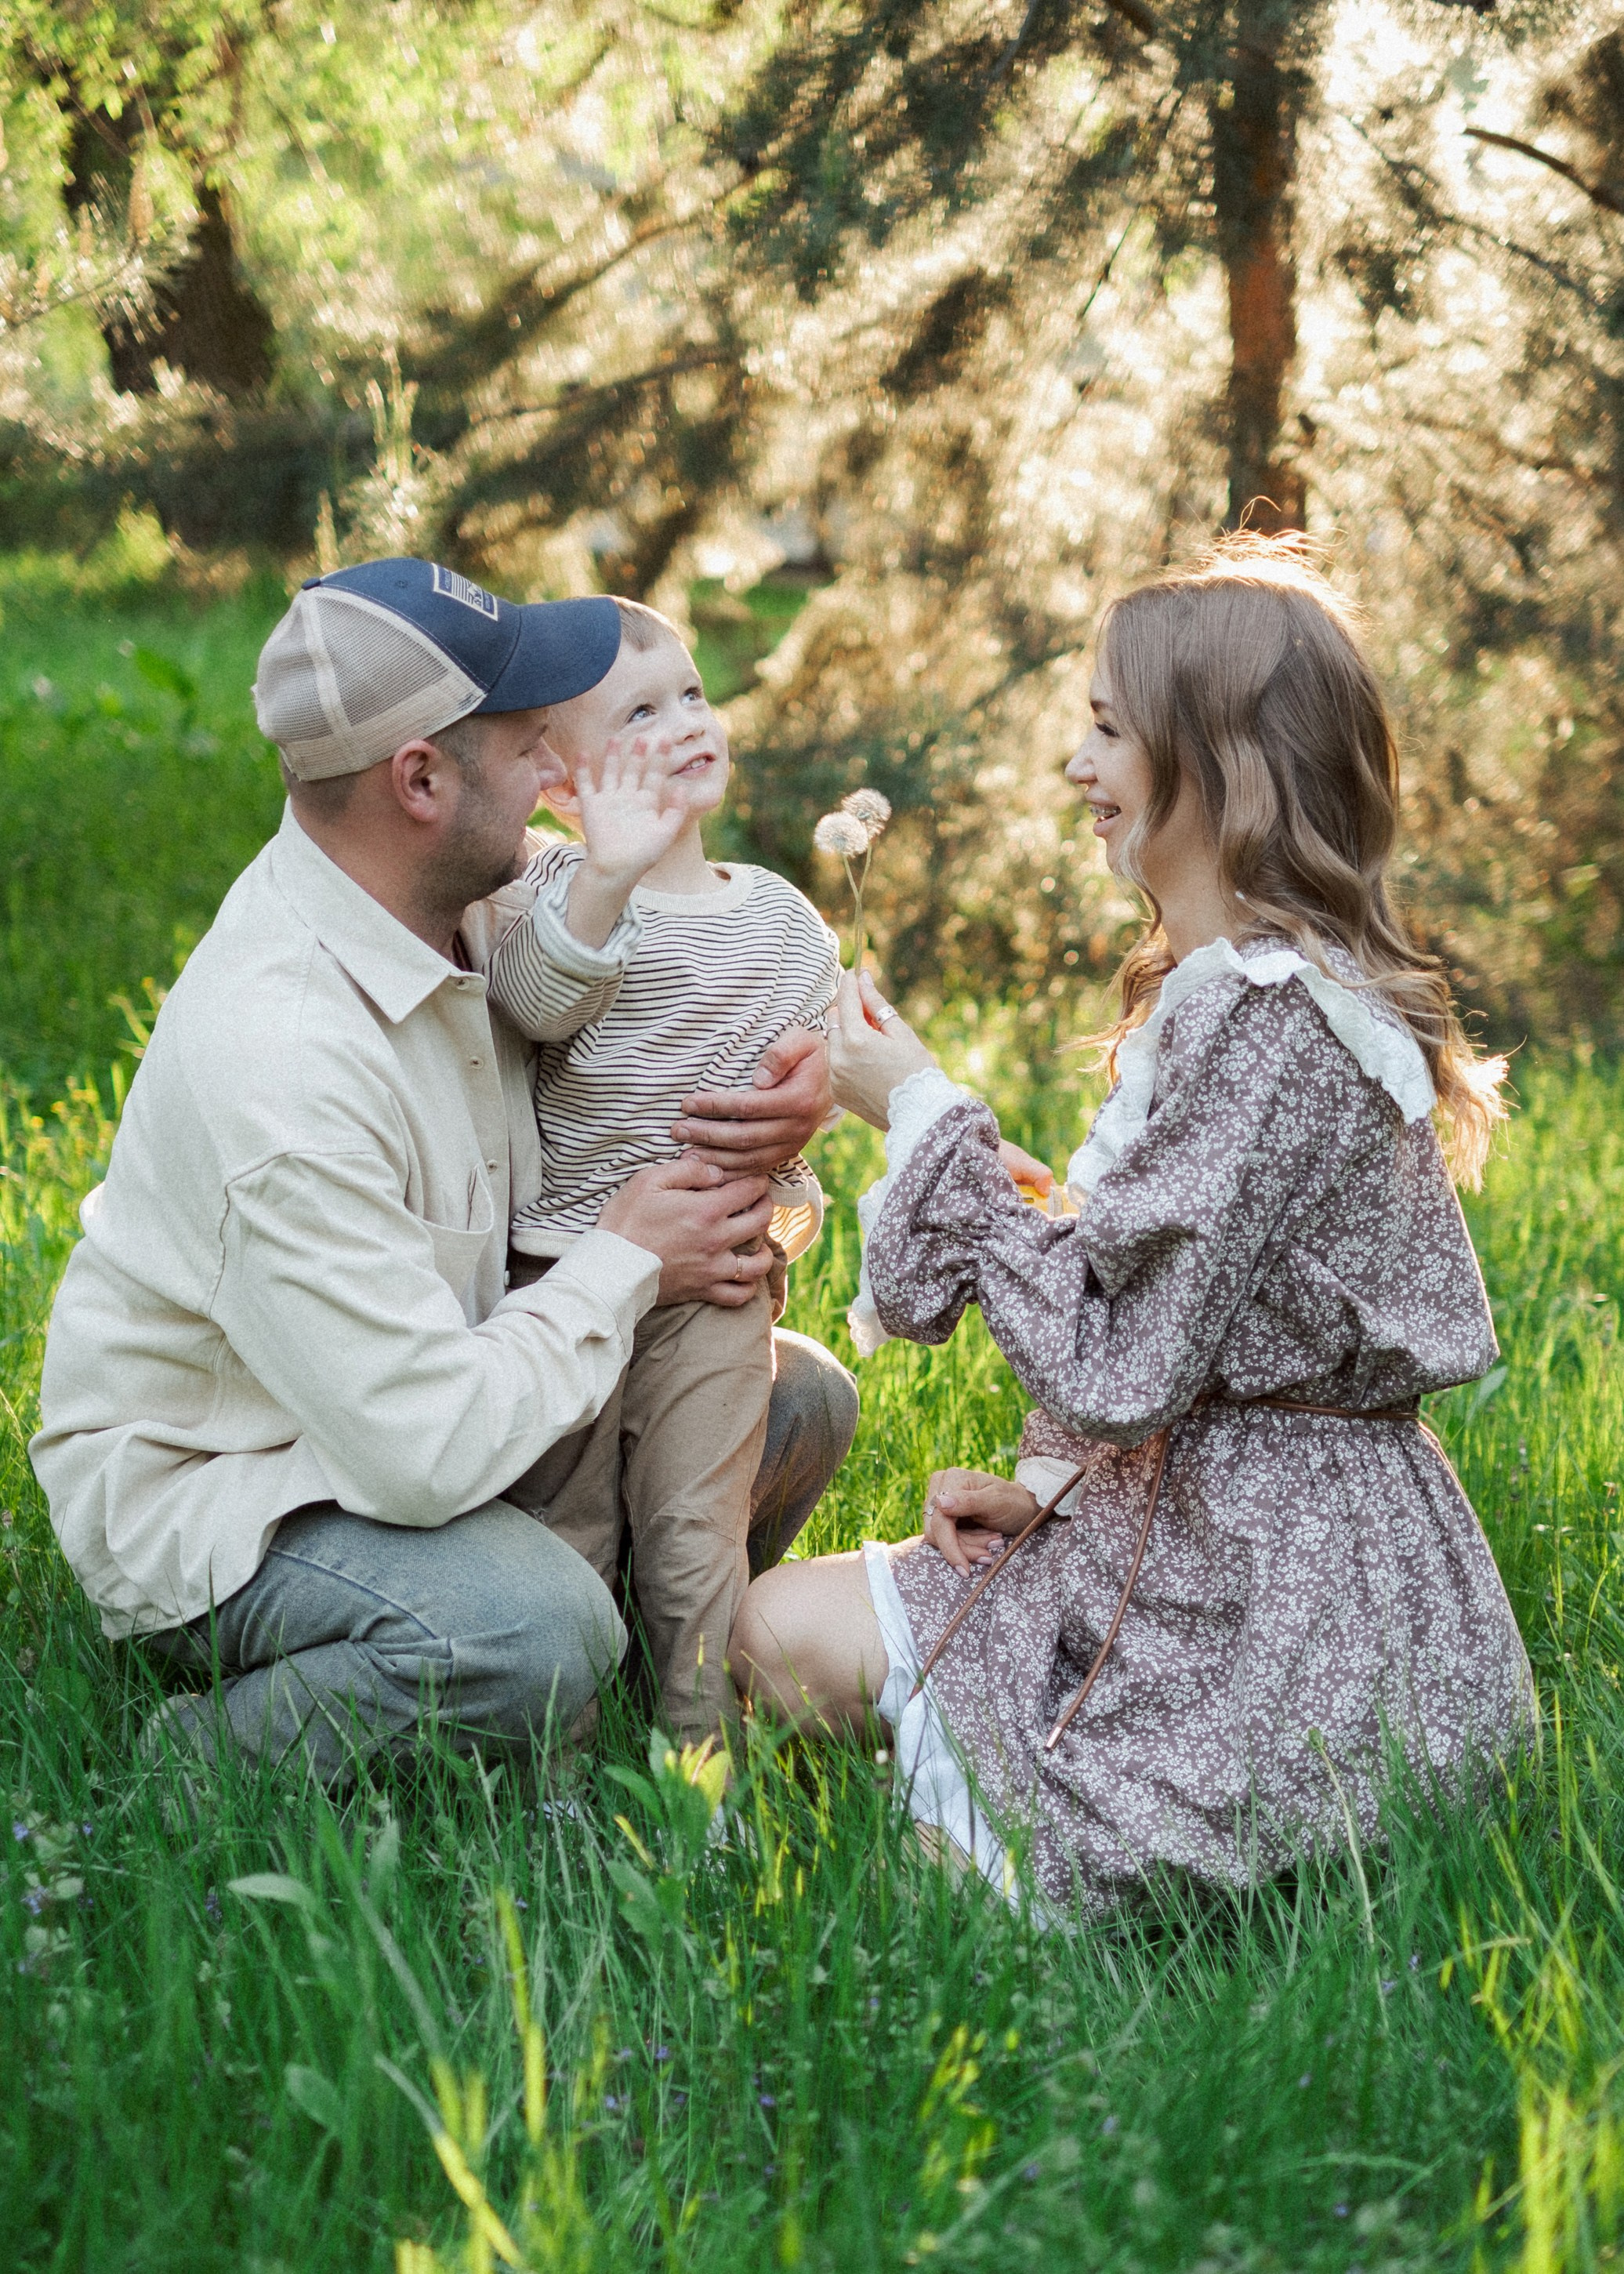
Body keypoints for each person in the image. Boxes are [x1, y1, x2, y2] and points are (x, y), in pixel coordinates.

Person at [731, 537, 1533, 1916]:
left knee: (961, 1885)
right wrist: (1042, 1488)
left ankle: (1059, 1825)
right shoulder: (1230, 996)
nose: (1076, 767)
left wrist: (922, 1109)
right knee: (760, 1637)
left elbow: (1126, 1362)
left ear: (1221, 762)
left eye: (1108, 729)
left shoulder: (1285, 1019)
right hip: (1178, 1522)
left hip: (1282, 1600)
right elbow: (1172, 1318)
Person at [30, 557, 855, 1788]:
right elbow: (412, 1449)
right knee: (531, 1629)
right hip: (245, 1483)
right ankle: (197, 1762)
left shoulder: (472, 892)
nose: (556, 767)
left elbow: (629, 1032)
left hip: (426, 1375)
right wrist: (629, 1257)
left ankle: (620, 1716)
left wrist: (801, 1091)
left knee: (801, 1403)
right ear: (419, 778)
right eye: (525, 741)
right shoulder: (286, 1061)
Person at [475, 596, 840, 1743]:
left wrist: (798, 1159)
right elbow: (537, 1001)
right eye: (641, 711)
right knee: (566, 1537)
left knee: (697, 1533)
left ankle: (700, 1781)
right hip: (565, 1283)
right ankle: (562, 1780)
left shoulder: (781, 921)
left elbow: (789, 1105)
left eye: (691, 693)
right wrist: (608, 876)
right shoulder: (552, 898)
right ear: (563, 787)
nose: (685, 719)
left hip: (715, 1301)